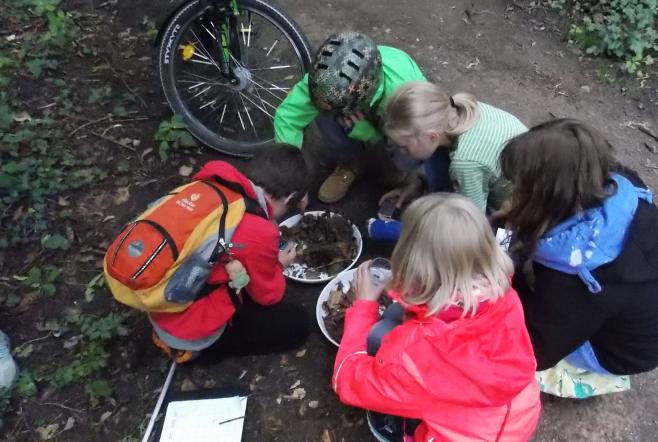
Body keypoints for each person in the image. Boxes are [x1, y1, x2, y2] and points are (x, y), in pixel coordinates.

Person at [499, 119, 658, 398]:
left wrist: (503, 279)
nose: (513, 194)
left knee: (505, 314)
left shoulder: (578, 281)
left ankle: (582, 375)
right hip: (650, 300)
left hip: (617, 352)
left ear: (547, 197)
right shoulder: (621, 183)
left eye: (520, 187)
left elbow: (535, 351)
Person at [332, 193, 541, 442]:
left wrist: (363, 307)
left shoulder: (415, 354)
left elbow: (347, 380)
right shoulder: (504, 294)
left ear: (410, 270)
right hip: (515, 419)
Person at [149, 145, 311, 364]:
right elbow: (267, 295)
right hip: (187, 324)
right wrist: (279, 265)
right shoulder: (258, 233)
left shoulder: (215, 180)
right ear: (289, 196)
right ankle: (194, 352)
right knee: (298, 326)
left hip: (158, 294)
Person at [273, 31, 426, 203]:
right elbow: (287, 117)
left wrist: (369, 133)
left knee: (404, 149)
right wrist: (294, 181)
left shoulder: (405, 94)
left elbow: (423, 137)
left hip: (399, 120)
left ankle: (404, 173)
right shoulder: (325, 78)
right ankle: (351, 163)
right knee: (323, 111)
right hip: (360, 106)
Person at [368, 81, 527, 241]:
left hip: (518, 217)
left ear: (431, 136)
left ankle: (510, 248)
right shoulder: (460, 111)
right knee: (435, 152)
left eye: (404, 147)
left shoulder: (465, 163)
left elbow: (472, 226)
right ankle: (436, 193)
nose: (403, 152)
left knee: (457, 241)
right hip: (515, 186)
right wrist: (418, 182)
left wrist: (401, 231)